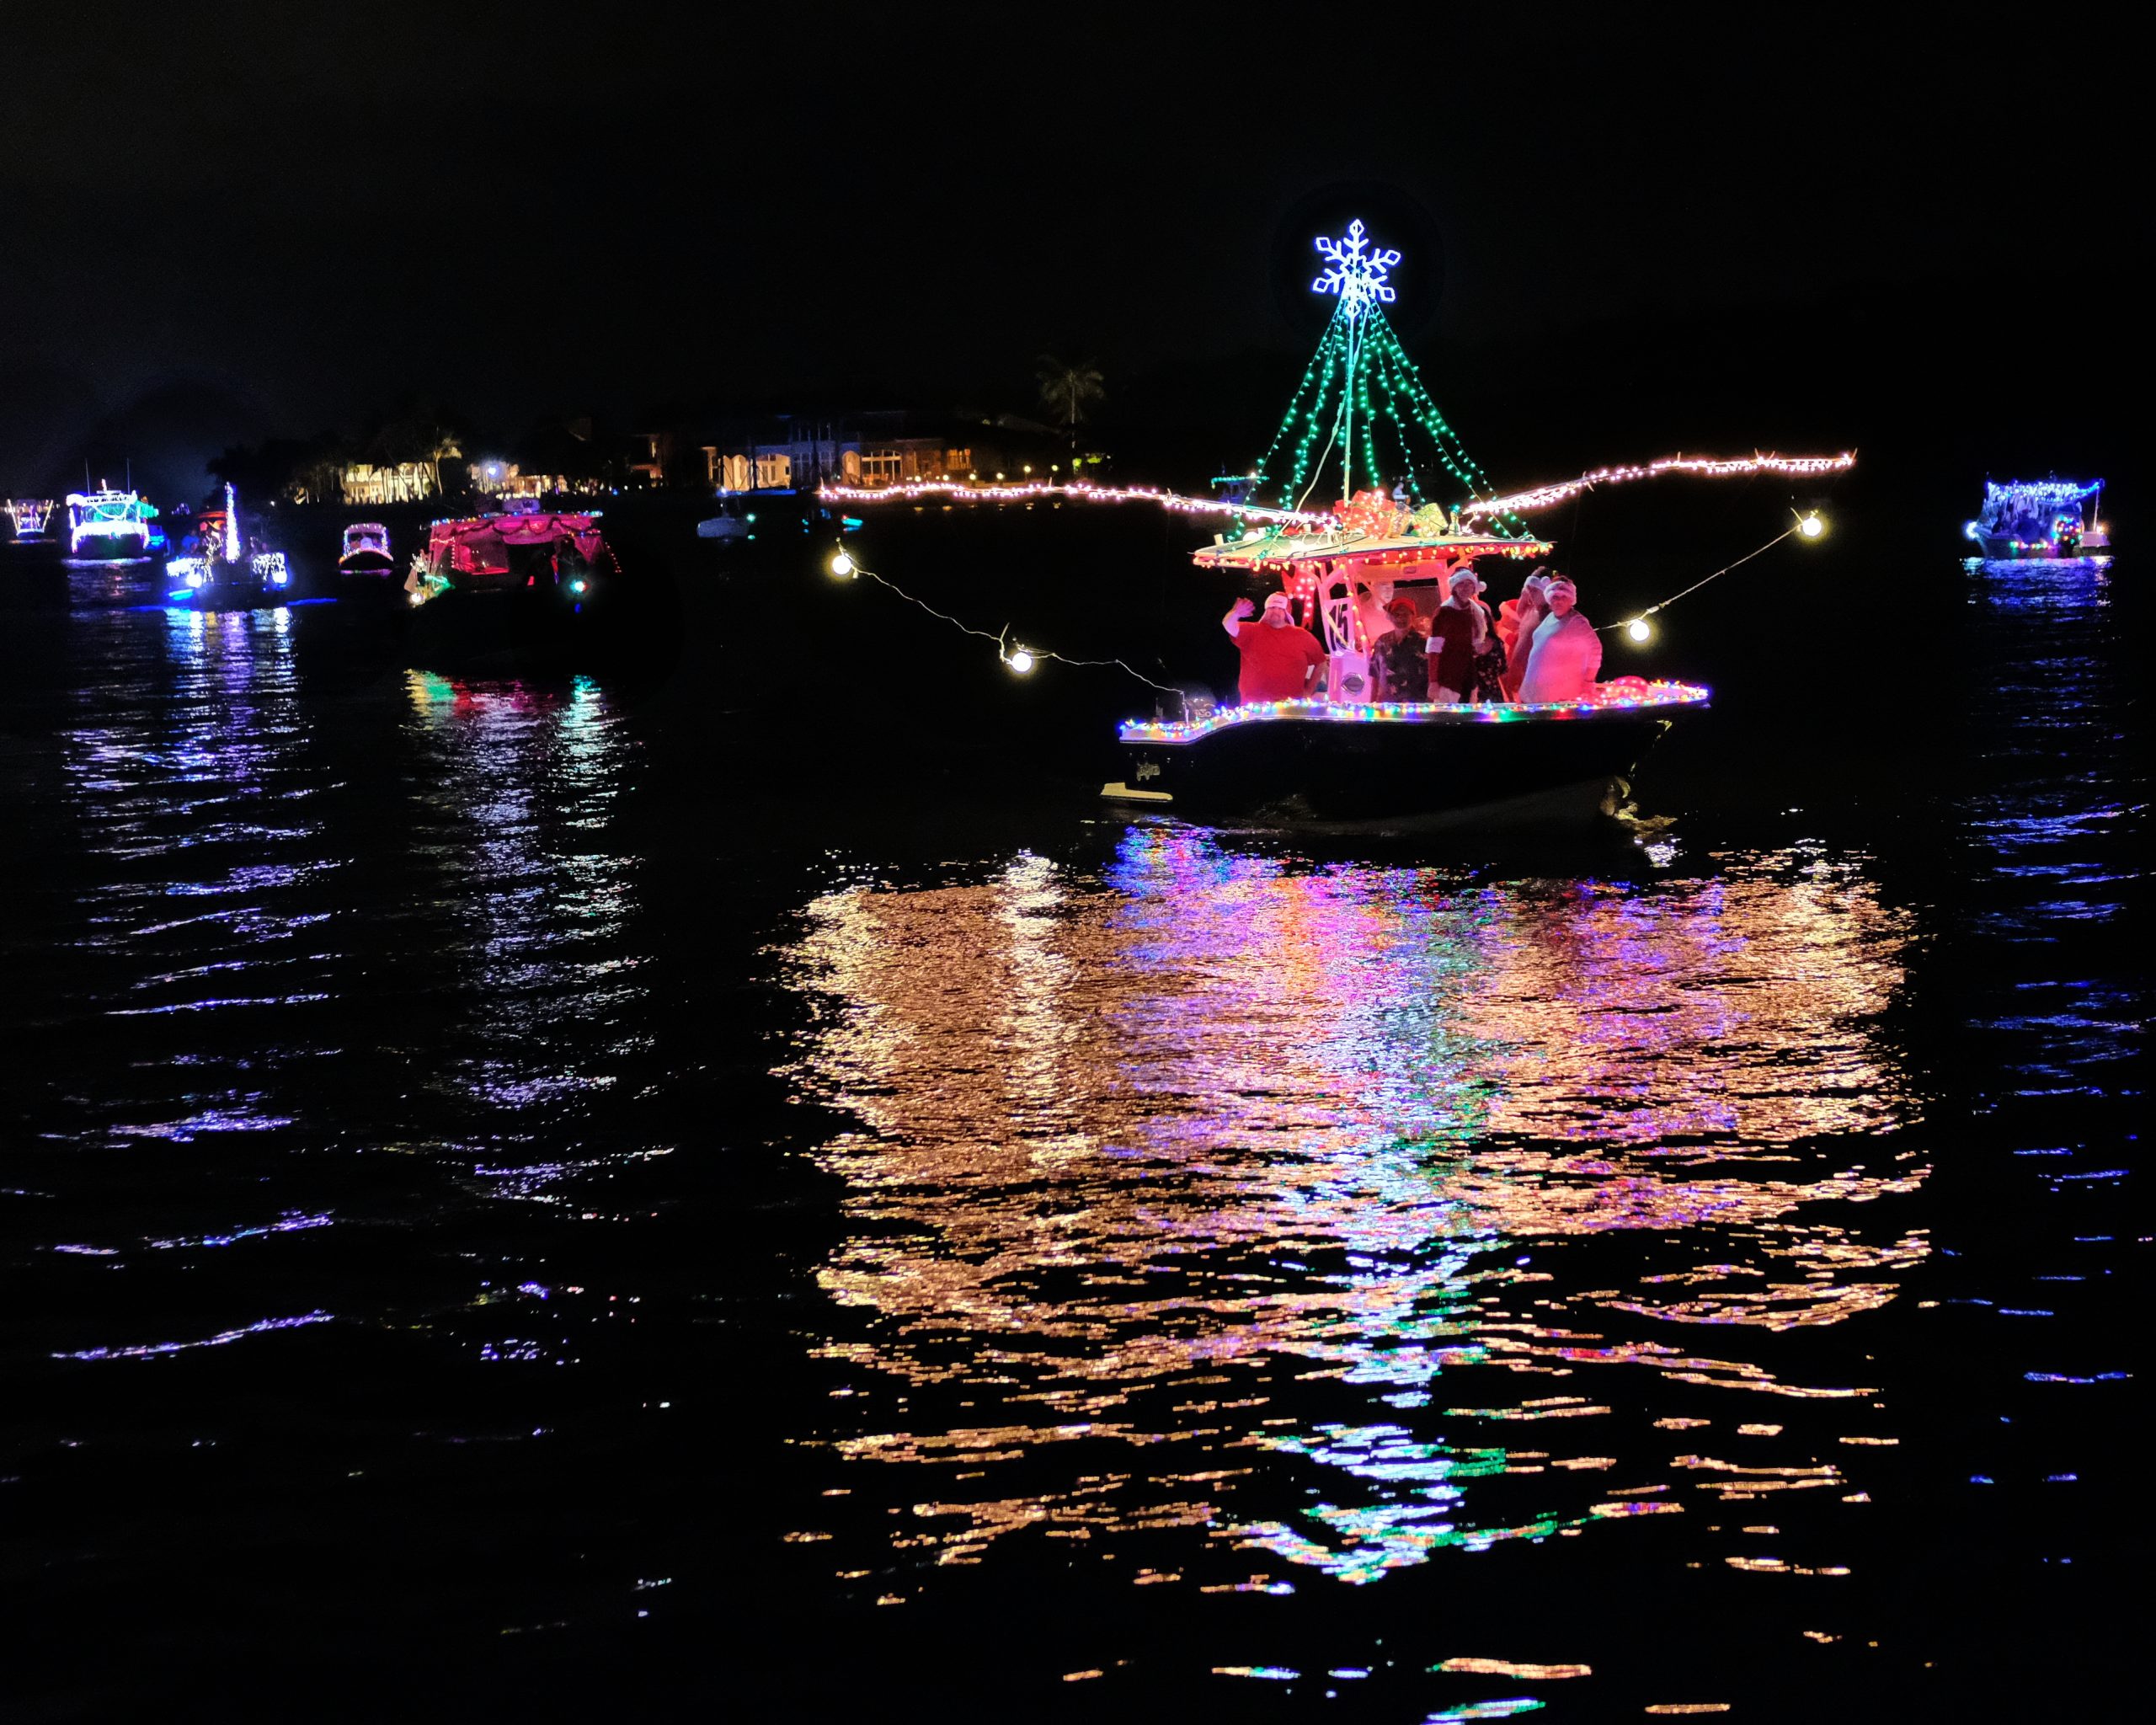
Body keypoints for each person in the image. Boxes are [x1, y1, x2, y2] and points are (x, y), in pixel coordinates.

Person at [1223, 590, 1326, 704]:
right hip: (1254, 707)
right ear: (1266, 610)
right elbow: (1228, 625)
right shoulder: (1251, 630)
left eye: (1280, 608)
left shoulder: (1303, 636)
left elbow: (1321, 662)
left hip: (1291, 707)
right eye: (1272, 607)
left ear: (1287, 612)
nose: (1276, 611)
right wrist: (1235, 613)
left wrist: (1308, 691)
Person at [1517, 575, 1604, 702]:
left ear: (1571, 600)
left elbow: (1596, 649)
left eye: (1564, 597)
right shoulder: (1550, 617)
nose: (1559, 601)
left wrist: (1588, 681)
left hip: (1556, 698)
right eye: (1555, 597)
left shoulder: (1576, 622)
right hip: (1534, 693)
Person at [1427, 567, 1504, 703]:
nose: (1465, 588)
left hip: (1468, 673)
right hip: (1448, 676)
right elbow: (1434, 649)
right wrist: (1434, 680)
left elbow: (1476, 641)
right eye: (1461, 584)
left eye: (1469, 584)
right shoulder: (1444, 612)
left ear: (1474, 588)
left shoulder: (1475, 612)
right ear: (1454, 587)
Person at [1496, 571, 1551, 701]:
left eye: (1534, 591)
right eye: (1528, 591)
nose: (1530, 595)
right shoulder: (1529, 612)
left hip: (1539, 678)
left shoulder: (1547, 616)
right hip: (1523, 675)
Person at [1369, 596, 1429, 702]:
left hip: (1417, 705)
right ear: (1391, 617)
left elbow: (1432, 676)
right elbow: (1375, 675)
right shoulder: (1382, 642)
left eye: (1405, 614)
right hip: (1388, 704)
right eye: (1396, 615)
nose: (1401, 618)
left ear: (1413, 616)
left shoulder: (1424, 642)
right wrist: (1373, 700)